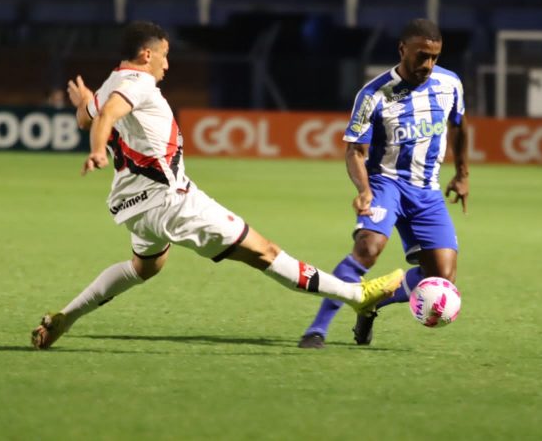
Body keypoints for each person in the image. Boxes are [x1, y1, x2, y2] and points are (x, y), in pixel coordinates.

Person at [31, 20, 404, 350]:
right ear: (146, 54)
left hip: (134, 207)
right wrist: (98, 150)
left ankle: (65, 316)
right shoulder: (139, 83)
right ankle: (358, 295)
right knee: (266, 253)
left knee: (145, 267)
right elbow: (109, 114)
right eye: (164, 56)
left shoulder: (114, 80)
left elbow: (91, 115)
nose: (167, 64)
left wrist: (83, 104)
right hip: (172, 202)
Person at [298, 18, 469, 349]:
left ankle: (372, 301)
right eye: (422, 56)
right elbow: (354, 152)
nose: (428, 65)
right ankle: (317, 329)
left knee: (442, 277)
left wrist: (463, 175)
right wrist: (364, 190)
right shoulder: (373, 94)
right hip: (386, 184)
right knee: (367, 248)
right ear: (402, 50)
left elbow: (459, 125)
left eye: (434, 57)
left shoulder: (450, 84)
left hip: (427, 190)